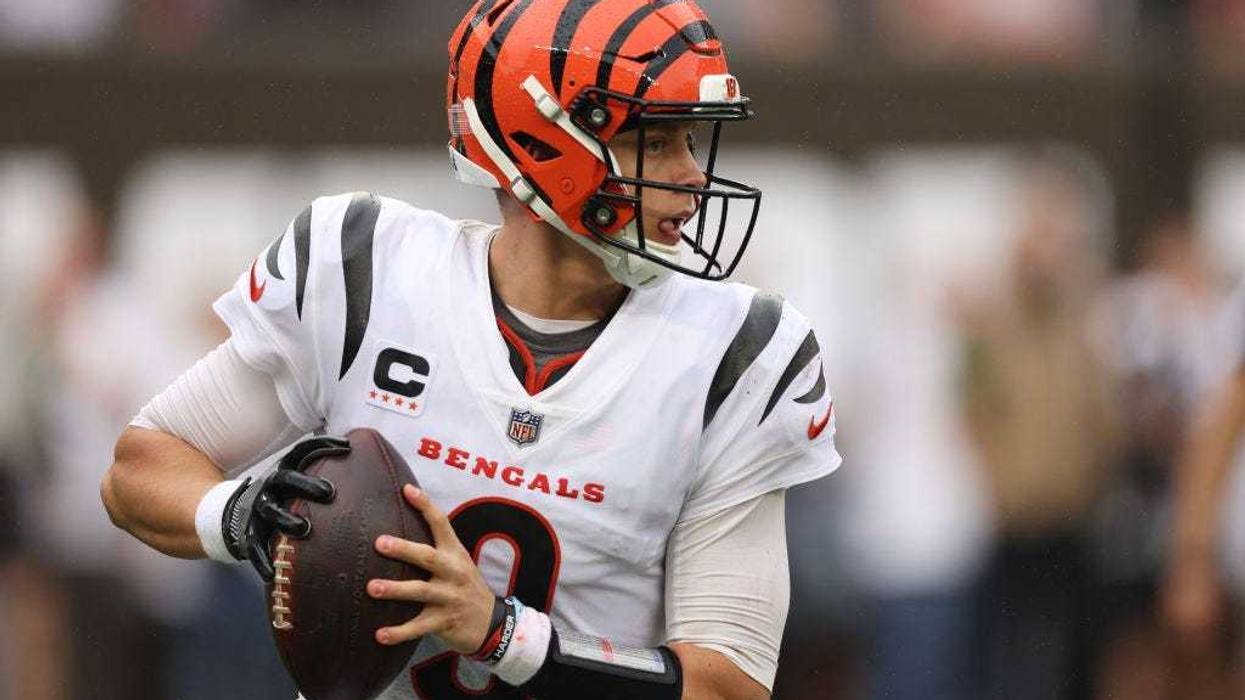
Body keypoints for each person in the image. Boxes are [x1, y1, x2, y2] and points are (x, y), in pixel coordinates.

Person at [100, 2, 841, 699]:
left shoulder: (737, 354)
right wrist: (240, 515)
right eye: (653, 139)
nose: (690, 175)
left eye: (688, 139)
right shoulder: (364, 268)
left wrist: (502, 634)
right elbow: (140, 468)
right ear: (542, 139)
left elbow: (729, 685)